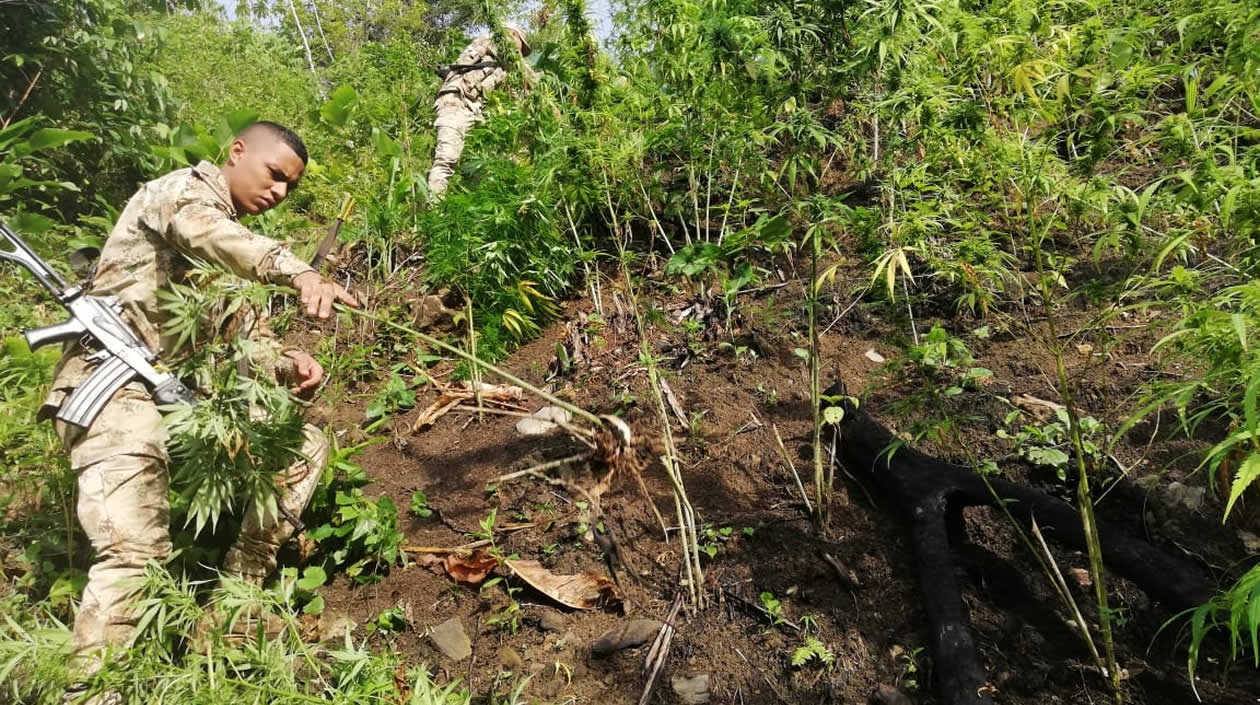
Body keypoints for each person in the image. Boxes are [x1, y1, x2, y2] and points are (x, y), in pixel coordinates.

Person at [41, 121, 357, 699]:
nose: (280, 193)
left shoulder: (230, 250)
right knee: (135, 550)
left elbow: (247, 347)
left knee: (303, 443)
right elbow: (209, 236)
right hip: (111, 387)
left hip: (181, 404)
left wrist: (290, 363)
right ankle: (88, 690)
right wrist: (298, 269)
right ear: (237, 152)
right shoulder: (180, 194)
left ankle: (230, 608)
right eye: (274, 175)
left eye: (290, 186)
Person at [425, 23, 533, 200]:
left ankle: (470, 210)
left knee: (481, 164)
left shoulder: (500, 65)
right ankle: (434, 214)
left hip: (474, 109)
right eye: (522, 46)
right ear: (513, 35)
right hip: (456, 104)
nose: (521, 54)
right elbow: (520, 68)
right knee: (446, 161)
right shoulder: (492, 44)